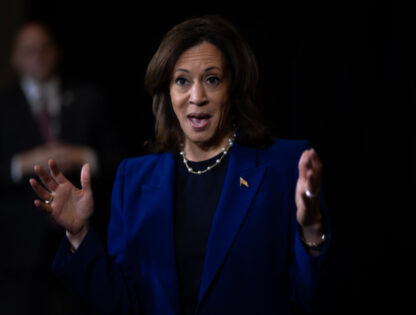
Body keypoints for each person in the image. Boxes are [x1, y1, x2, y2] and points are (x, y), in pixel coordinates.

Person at [30, 16, 330, 314]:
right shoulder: (133, 178)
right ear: (167, 92)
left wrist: (311, 229)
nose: (196, 97)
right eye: (182, 80)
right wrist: (79, 234)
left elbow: (311, 296)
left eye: (212, 79)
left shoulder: (285, 165)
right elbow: (123, 304)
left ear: (233, 88)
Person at [0, 21, 117, 314]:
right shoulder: (2, 105)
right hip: (18, 248)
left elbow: (119, 157)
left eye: (44, 48)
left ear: (56, 52)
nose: (38, 55)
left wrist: (83, 154)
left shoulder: (89, 98)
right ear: (15, 58)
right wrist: (19, 164)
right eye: (29, 50)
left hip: (82, 238)